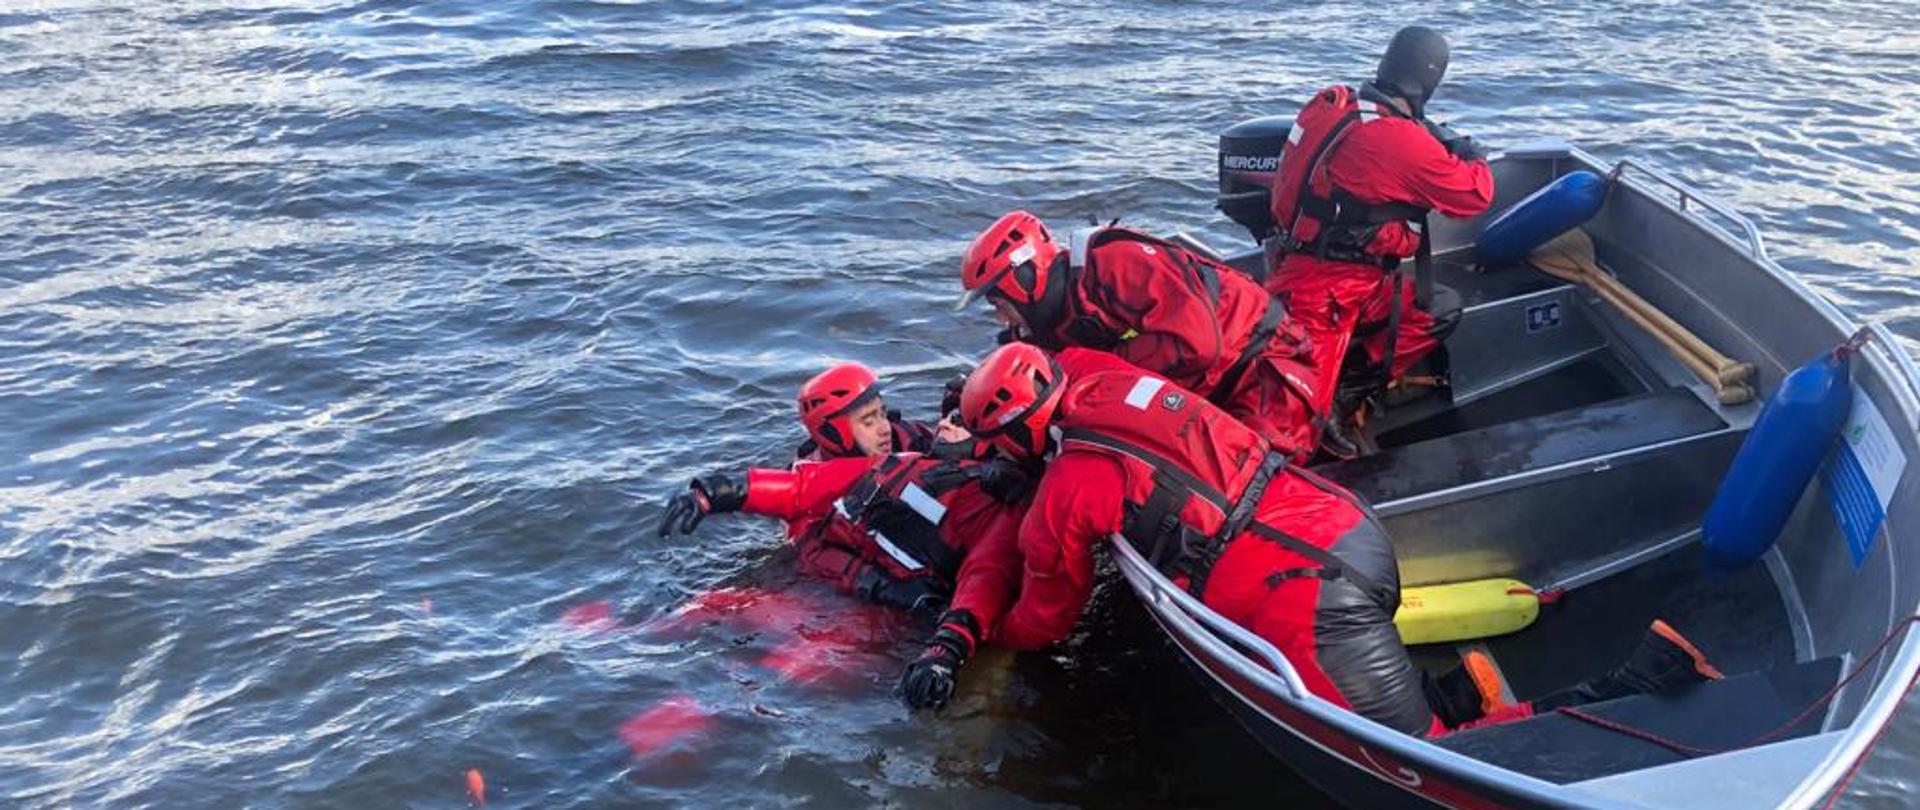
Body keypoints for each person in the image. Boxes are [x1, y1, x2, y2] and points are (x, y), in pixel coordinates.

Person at [939, 342, 1723, 736]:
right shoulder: (1101, 375)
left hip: (1304, 598)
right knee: (1389, 689)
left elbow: (1047, 615)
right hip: (1341, 523)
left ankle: (1648, 676)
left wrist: (983, 639)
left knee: (1431, 755)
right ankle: (1462, 686)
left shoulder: (1066, 494)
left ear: (1018, 433)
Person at [1262, 25, 1495, 455]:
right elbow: (1474, 195)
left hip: (1330, 276)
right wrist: (1471, 153)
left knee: (1437, 308)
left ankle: (1343, 395)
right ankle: (1318, 425)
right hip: (1324, 296)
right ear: (1430, 80)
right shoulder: (1396, 138)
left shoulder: (1333, 105)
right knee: (1292, 437)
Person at [954, 210, 1324, 460]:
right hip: (1211, 384)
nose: (999, 316)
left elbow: (1197, 345)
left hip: (1263, 365)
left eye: (996, 302)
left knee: (1257, 475)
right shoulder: (1054, 324)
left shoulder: (1117, 264)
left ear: (1022, 281)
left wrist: (1103, 374)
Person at [793, 362, 942, 462]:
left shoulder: (910, 437)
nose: (886, 429)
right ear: (834, 434)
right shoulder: (810, 486)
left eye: (883, 414)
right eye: (868, 422)